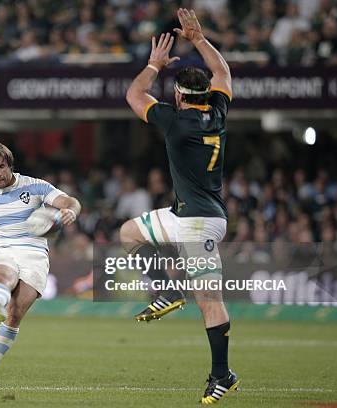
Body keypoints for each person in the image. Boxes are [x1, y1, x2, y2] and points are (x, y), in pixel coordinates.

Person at [120, 8, 238, 404]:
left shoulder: (175, 121)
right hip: (187, 214)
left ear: (178, 96)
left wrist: (153, 64)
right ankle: (168, 289)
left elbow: (134, 95)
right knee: (129, 234)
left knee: (210, 302)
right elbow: (223, 73)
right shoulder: (218, 111)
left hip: (198, 223)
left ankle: (222, 374)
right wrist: (200, 40)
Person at [0, 142, 81, 387]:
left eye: (1, 167)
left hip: (35, 256)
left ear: (10, 165)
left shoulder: (35, 186)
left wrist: (70, 212)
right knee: (5, 274)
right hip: (5, 250)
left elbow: (70, 201)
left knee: (15, 314)